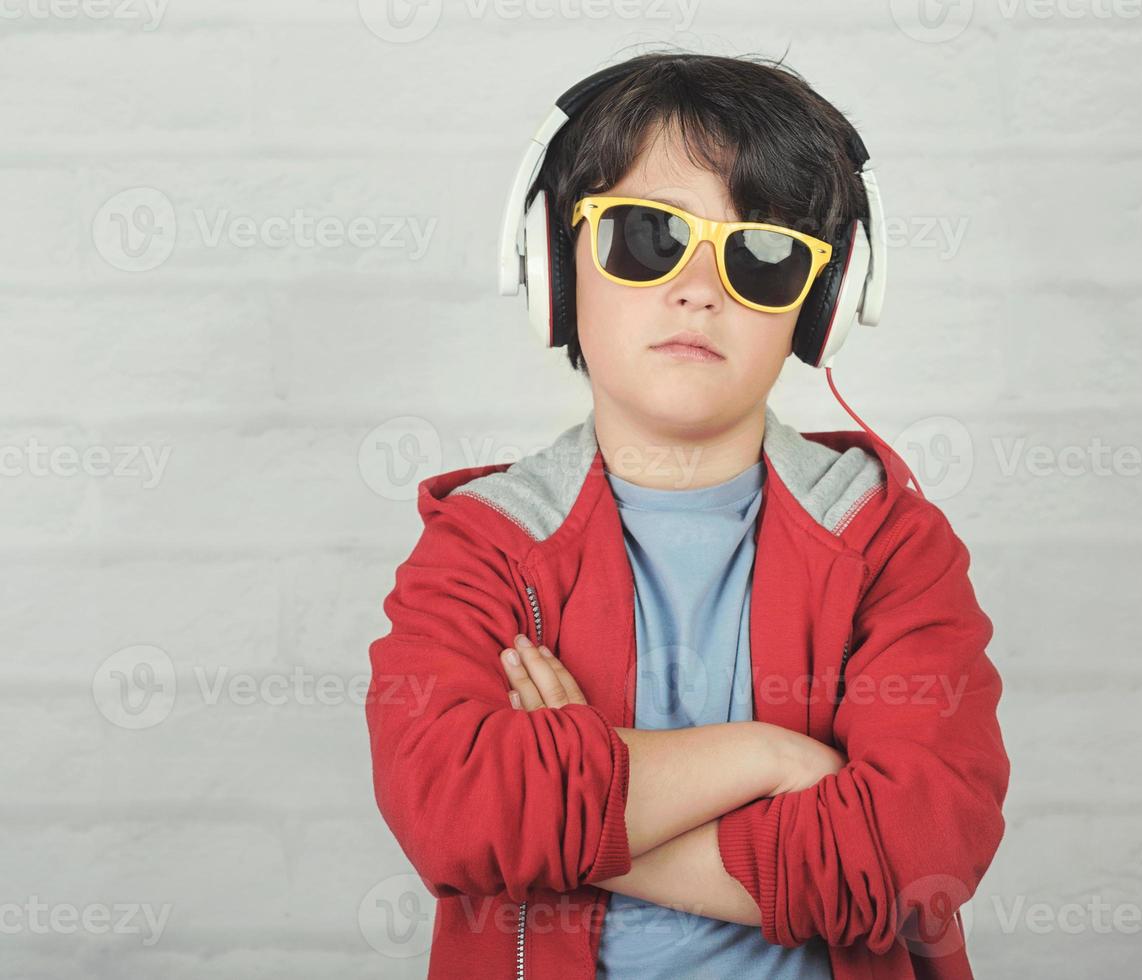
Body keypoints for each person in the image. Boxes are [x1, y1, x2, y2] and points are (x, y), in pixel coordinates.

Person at [365, 50, 1009, 980]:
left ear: (818, 306)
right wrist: (773, 757)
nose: (700, 288)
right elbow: (454, 816)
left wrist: (565, 829)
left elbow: (920, 855)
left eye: (765, 254)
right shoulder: (480, 547)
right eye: (646, 235)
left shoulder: (892, 548)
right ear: (554, 262)